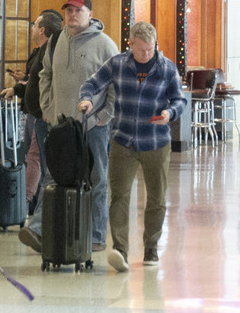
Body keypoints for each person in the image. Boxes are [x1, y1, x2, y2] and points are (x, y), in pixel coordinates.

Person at [78, 21, 187, 271]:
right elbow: (92, 83)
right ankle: (120, 249)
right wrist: (85, 98)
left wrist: (170, 113)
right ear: (131, 45)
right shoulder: (117, 64)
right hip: (123, 140)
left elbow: (180, 99)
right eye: (141, 50)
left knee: (157, 197)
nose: (146, 54)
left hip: (156, 141)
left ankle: (151, 247)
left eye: (150, 49)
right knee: (119, 196)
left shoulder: (167, 68)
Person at [19, 0, 118, 254]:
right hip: (60, 126)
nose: (72, 14)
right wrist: (49, 108)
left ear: (89, 14)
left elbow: (116, 87)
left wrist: (102, 117)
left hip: (93, 127)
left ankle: (96, 236)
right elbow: (45, 74)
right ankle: (39, 230)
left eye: (78, 10)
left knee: (97, 179)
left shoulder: (106, 45)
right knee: (52, 176)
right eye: (69, 10)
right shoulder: (55, 42)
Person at [1, 10, 61, 213]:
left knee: (37, 158)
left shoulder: (51, 52)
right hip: (33, 112)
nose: (32, 29)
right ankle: (30, 203)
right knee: (32, 156)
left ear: (42, 29)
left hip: (43, 115)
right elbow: (34, 82)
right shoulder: (40, 51)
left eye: (35, 25)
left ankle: (26, 203)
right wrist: (17, 88)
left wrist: (46, 108)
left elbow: (49, 85)